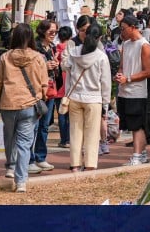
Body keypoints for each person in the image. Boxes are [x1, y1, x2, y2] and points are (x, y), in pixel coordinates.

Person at [0, 23, 48, 193]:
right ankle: (21, 181)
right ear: (30, 38)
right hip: (29, 105)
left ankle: (10, 166)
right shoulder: (38, 58)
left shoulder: (5, 57)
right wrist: (40, 98)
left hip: (8, 104)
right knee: (24, 143)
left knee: (9, 137)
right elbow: (45, 85)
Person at [62, 24, 111, 172]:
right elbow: (105, 83)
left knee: (75, 132)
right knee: (92, 134)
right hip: (94, 99)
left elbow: (66, 69)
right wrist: (106, 104)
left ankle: (75, 165)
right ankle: (90, 165)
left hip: (75, 96)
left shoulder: (75, 52)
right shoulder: (101, 56)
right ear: (99, 38)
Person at [115, 12, 150, 166]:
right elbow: (122, 65)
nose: (121, 32)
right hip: (124, 90)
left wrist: (128, 78)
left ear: (132, 27)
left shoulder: (144, 45)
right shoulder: (125, 44)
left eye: (123, 28)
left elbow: (147, 72)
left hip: (137, 91)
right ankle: (141, 154)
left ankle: (137, 155)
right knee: (131, 125)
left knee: (137, 125)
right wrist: (119, 75)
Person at [30, 19, 60, 174]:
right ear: (43, 31)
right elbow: (30, 69)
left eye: (55, 32)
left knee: (44, 126)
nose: (53, 35)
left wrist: (55, 66)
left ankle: (40, 157)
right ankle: (30, 159)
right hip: (37, 90)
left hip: (50, 89)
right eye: (51, 32)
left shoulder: (53, 47)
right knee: (33, 125)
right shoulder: (34, 47)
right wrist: (44, 67)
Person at [54, 26, 74, 147]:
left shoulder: (56, 49)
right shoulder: (72, 48)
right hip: (70, 83)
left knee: (61, 113)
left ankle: (63, 140)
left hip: (59, 85)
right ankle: (69, 139)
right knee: (71, 114)